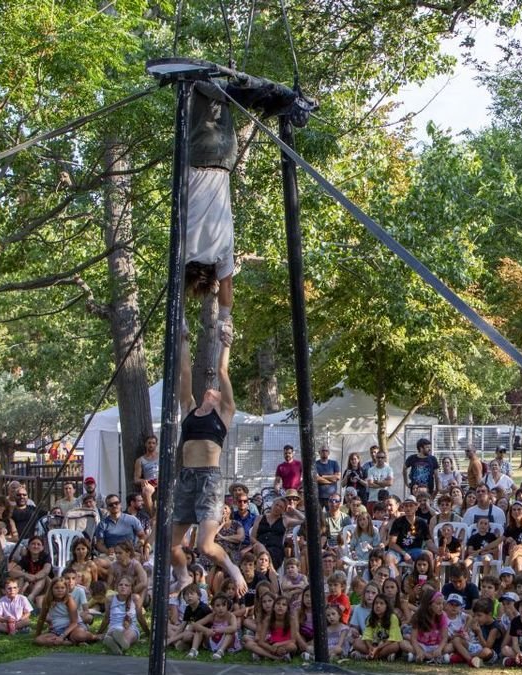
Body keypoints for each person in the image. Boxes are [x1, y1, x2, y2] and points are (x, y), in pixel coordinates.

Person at [184, 76, 296, 333]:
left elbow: (227, 287)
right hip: (200, 156)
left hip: (225, 158)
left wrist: (226, 320)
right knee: (195, 89)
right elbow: (176, 285)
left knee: (220, 102)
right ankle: (237, 91)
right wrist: (180, 323)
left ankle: (241, 93)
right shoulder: (184, 250)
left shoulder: (222, 255)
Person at [171, 324, 243, 594]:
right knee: (172, 544)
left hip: (209, 479)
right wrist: (184, 339)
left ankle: (232, 569)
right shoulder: (189, 409)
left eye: (217, 391)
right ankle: (183, 577)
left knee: (204, 546)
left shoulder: (223, 415)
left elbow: (222, 371)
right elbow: (185, 371)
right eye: (209, 390)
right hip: (187, 475)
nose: (211, 390)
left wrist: (226, 343)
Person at [133, 434, 159, 515]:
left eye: (153, 443)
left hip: (161, 480)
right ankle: (152, 515)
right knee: (146, 490)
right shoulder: (140, 460)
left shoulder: (162, 456)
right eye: (149, 443)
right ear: (145, 444)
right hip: (150, 482)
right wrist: (142, 480)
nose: (151, 445)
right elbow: (136, 479)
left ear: (156, 445)